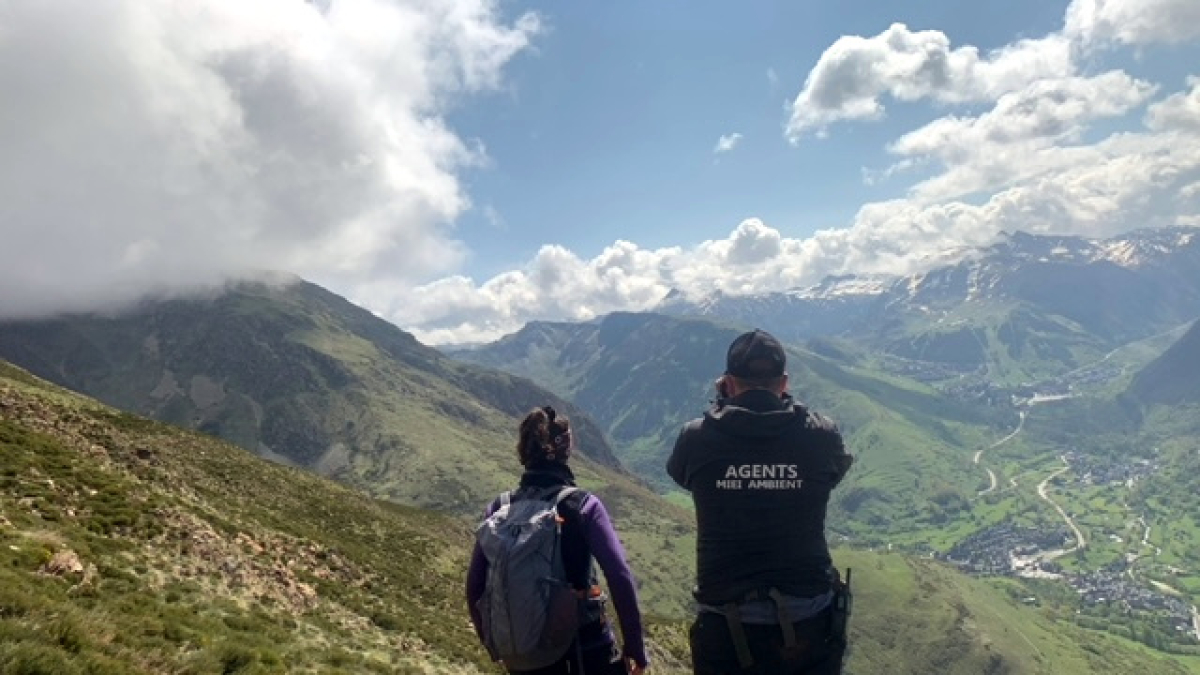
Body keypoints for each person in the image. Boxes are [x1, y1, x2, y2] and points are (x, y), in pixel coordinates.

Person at [667, 329, 854, 674]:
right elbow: (833, 472)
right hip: (809, 624)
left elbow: (682, 476)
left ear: (727, 382)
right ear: (784, 383)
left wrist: (723, 411)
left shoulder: (696, 438)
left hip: (727, 628)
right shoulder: (821, 435)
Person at [467, 406, 650, 675]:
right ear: (565, 451)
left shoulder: (498, 509)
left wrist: (497, 646)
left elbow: (474, 586)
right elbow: (619, 575)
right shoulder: (582, 505)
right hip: (586, 650)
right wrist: (634, 647)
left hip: (526, 659)